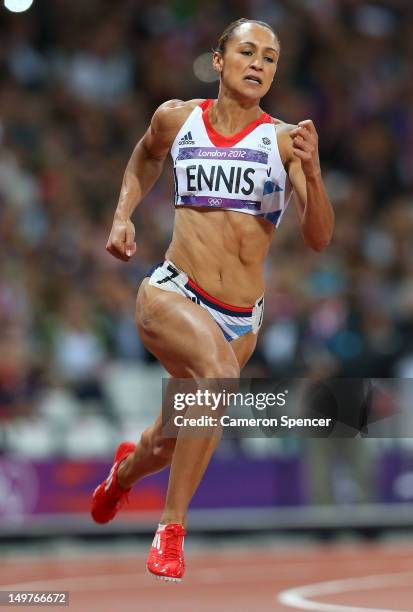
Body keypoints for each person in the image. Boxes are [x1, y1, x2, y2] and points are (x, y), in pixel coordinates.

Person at [90, 17, 334, 582]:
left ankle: (122, 475)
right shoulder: (177, 118)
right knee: (217, 379)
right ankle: (171, 529)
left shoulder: (284, 142)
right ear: (219, 60)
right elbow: (145, 156)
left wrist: (315, 174)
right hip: (171, 291)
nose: (259, 65)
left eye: (270, 59)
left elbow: (319, 238)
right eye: (248, 52)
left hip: (239, 319)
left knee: (167, 443)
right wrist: (123, 215)